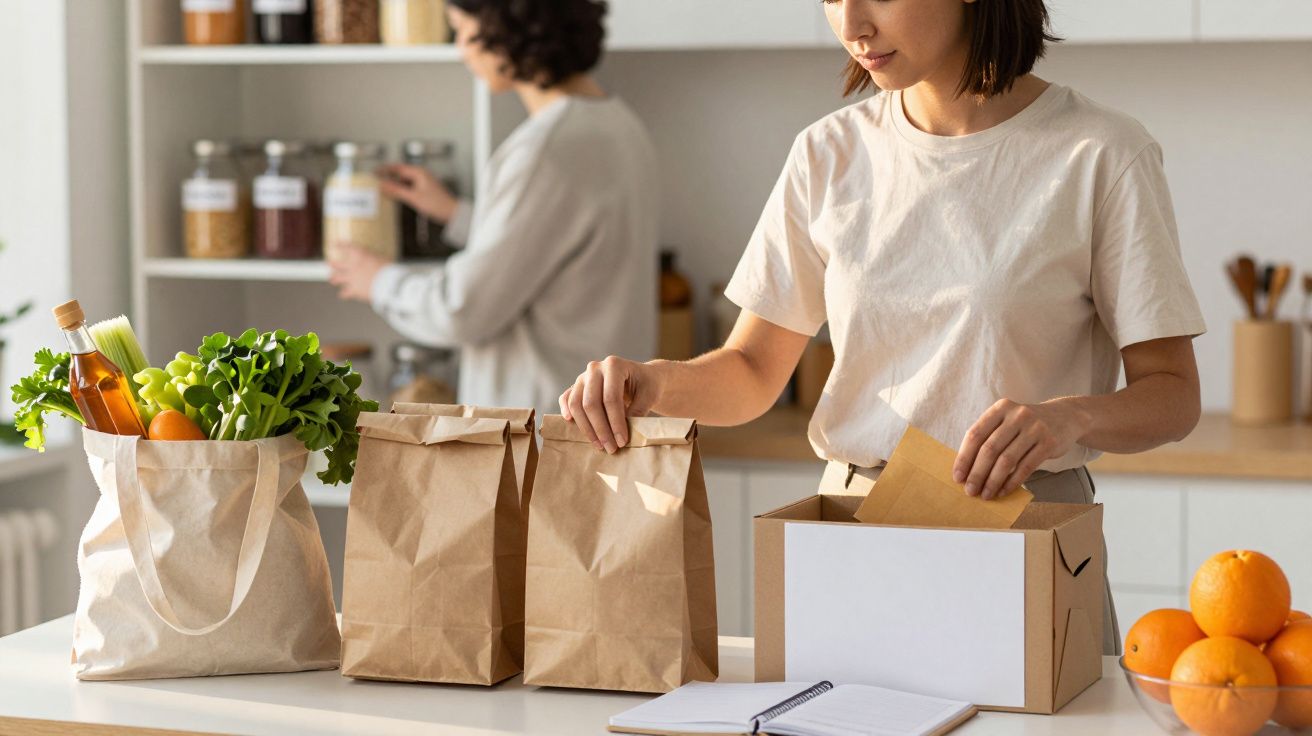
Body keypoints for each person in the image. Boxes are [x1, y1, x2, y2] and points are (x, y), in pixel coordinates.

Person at [558, 0, 1207, 655]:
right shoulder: (828, 153)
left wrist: (1072, 417)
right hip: (855, 531)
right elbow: (753, 369)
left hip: (1029, 530)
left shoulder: (1101, 153)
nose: (851, 24)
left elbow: (1173, 392)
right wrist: (655, 383)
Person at [329, 0, 659, 417]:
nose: (460, 49)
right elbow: (556, 244)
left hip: (539, 431)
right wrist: (455, 214)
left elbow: (462, 310)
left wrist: (380, 281)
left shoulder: (547, 150)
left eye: (464, 31)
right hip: (595, 422)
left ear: (505, 29)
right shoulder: (617, 125)